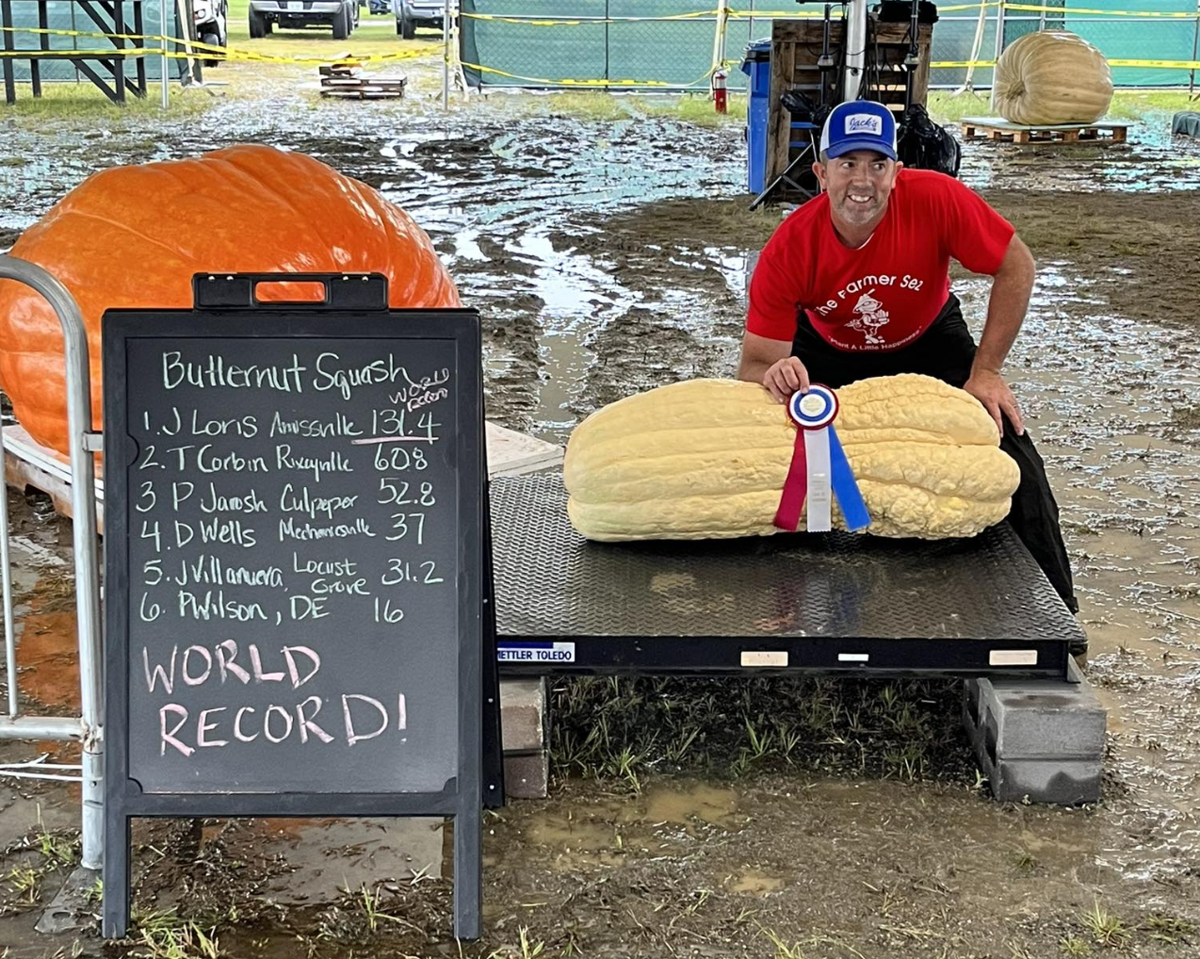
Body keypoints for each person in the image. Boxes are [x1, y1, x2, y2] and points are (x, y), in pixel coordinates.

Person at [737, 99, 1079, 622]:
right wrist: (776, 374)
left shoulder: (938, 198)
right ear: (820, 171)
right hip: (826, 351)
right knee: (766, 456)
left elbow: (1017, 265)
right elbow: (755, 364)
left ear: (898, 172)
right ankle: (772, 608)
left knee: (1011, 450)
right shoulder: (789, 247)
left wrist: (985, 371)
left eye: (877, 164)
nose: (862, 181)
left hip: (929, 339)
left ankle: (1057, 620)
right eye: (847, 163)